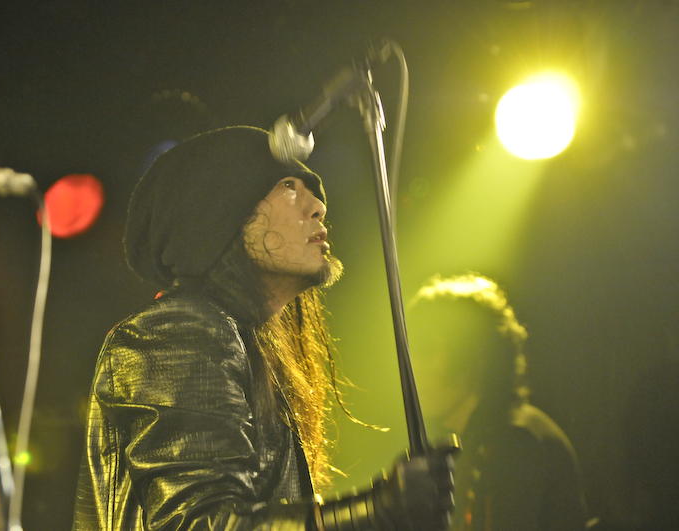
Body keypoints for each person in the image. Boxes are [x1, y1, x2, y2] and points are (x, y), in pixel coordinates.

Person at [72, 126, 457, 531]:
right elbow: (201, 524)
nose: (318, 206)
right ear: (219, 215)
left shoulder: (236, 341)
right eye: (287, 186)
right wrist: (376, 511)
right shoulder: (179, 332)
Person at [407, 274, 589, 531]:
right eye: (411, 351)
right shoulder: (481, 440)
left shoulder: (516, 442)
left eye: (426, 350)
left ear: (474, 353)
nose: (413, 367)